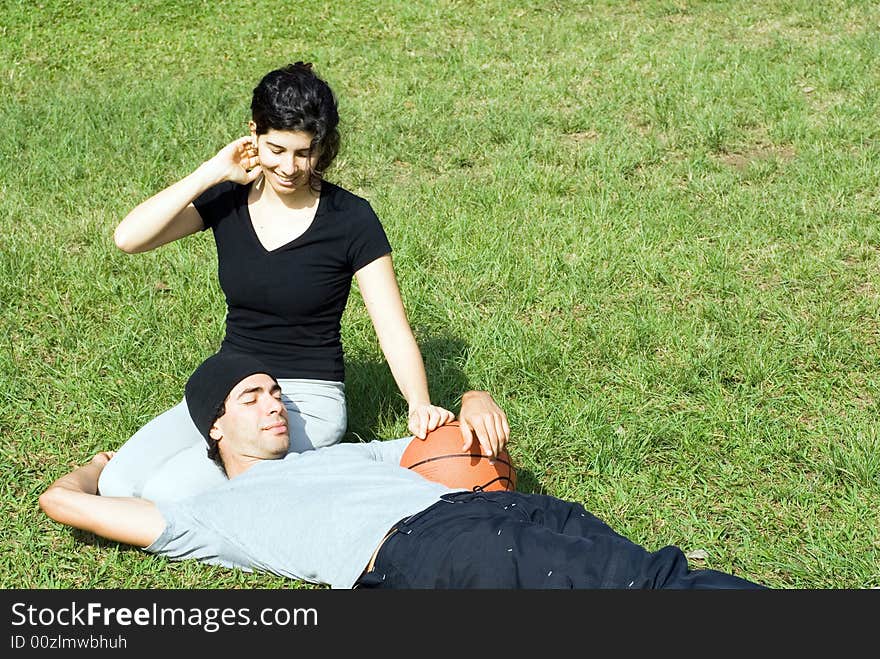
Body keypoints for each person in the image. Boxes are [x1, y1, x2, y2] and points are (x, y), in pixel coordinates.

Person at [40, 352, 764, 590]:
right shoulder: (210, 514)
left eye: (275, 391)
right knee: (631, 590)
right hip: (425, 548)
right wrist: (94, 467)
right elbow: (66, 503)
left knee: (661, 576)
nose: (273, 404)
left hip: (511, 512)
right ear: (215, 426)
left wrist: (476, 395)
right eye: (250, 396)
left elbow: (451, 439)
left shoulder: (349, 454)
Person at [100, 62, 489, 502]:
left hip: (308, 395)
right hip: (231, 384)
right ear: (253, 135)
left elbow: (392, 330)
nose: (289, 166)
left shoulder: (351, 219)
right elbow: (129, 238)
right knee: (118, 485)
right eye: (276, 149)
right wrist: (211, 171)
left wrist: (419, 402)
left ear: (321, 149)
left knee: (165, 494)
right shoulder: (228, 198)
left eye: (303, 152)